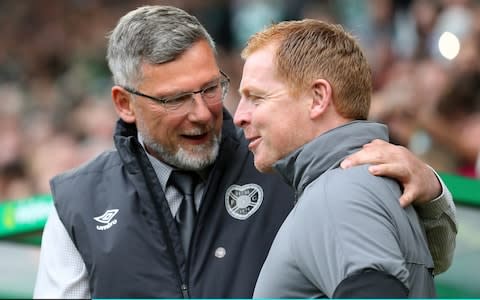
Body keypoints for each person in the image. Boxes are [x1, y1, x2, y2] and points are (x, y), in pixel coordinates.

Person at [34, 6, 456, 299]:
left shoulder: (285, 165)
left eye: (210, 88)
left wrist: (432, 192)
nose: (202, 113)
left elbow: (424, 260)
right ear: (125, 104)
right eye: (175, 99)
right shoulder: (77, 205)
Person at [233, 19, 454, 298]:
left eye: (257, 97)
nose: (239, 116)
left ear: (318, 98)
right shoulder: (360, 184)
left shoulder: (339, 193)